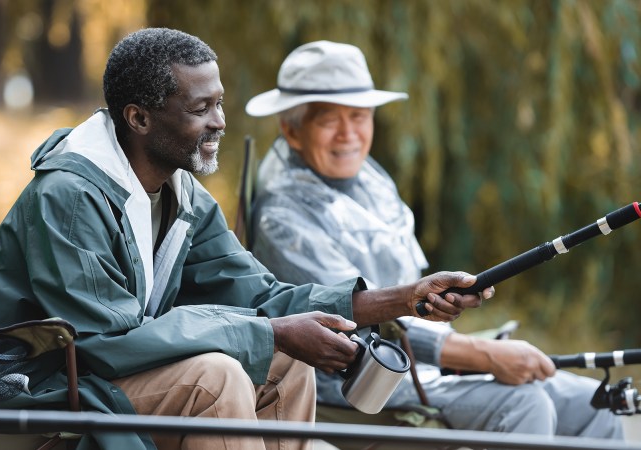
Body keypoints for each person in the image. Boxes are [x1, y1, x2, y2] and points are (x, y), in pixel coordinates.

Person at [0, 29, 489, 450]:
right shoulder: (71, 198)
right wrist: (269, 331)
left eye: (218, 102)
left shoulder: (181, 194)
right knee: (216, 376)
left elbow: (263, 296)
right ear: (139, 119)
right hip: (27, 387)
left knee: (286, 361)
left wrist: (406, 298)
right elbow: (103, 342)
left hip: (98, 376)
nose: (221, 121)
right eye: (202, 108)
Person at [245, 39, 625, 443]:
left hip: (418, 360)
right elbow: (355, 319)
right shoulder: (282, 215)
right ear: (292, 129)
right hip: (351, 379)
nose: (348, 134)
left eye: (359, 116)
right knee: (525, 402)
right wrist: (483, 355)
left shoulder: (367, 178)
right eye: (328, 121)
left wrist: (466, 342)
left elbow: (409, 297)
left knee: (594, 402)